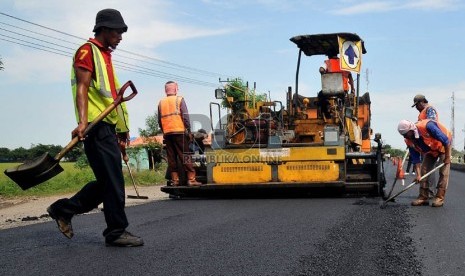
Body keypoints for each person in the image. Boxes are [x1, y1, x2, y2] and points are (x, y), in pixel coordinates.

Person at [46, 9, 144, 247]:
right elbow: (82, 87)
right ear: (104, 29)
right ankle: (116, 231)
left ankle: (63, 210)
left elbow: (112, 99)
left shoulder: (105, 56)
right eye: (117, 31)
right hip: (94, 126)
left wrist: (122, 131)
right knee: (113, 182)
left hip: (107, 127)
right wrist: (82, 122)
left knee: (106, 183)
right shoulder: (86, 51)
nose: (120, 36)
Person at [397, 119, 452, 207]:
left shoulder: (427, 126)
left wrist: (448, 157)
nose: (405, 137)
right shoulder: (409, 140)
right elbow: (416, 159)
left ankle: (439, 198)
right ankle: (423, 197)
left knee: (443, 172)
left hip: (443, 147)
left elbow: (445, 141)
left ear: (411, 129)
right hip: (431, 150)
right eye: (403, 135)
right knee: (424, 171)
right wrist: (418, 175)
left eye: (406, 134)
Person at [158, 81, 202, 186]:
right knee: (185, 155)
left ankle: (175, 180)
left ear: (165, 90)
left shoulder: (161, 102)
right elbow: (185, 116)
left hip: (167, 133)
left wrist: (164, 131)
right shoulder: (179, 100)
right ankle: (191, 179)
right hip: (179, 132)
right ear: (176, 89)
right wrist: (189, 130)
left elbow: (159, 120)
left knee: (171, 157)